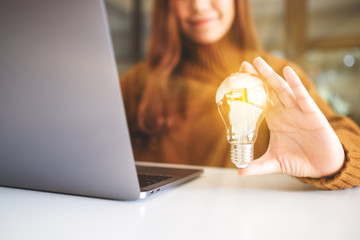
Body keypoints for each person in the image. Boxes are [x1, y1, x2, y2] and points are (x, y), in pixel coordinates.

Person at [120, 0, 360, 190]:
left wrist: (336, 160)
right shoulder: (136, 86)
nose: (199, 5)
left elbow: (352, 143)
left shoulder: (277, 79)